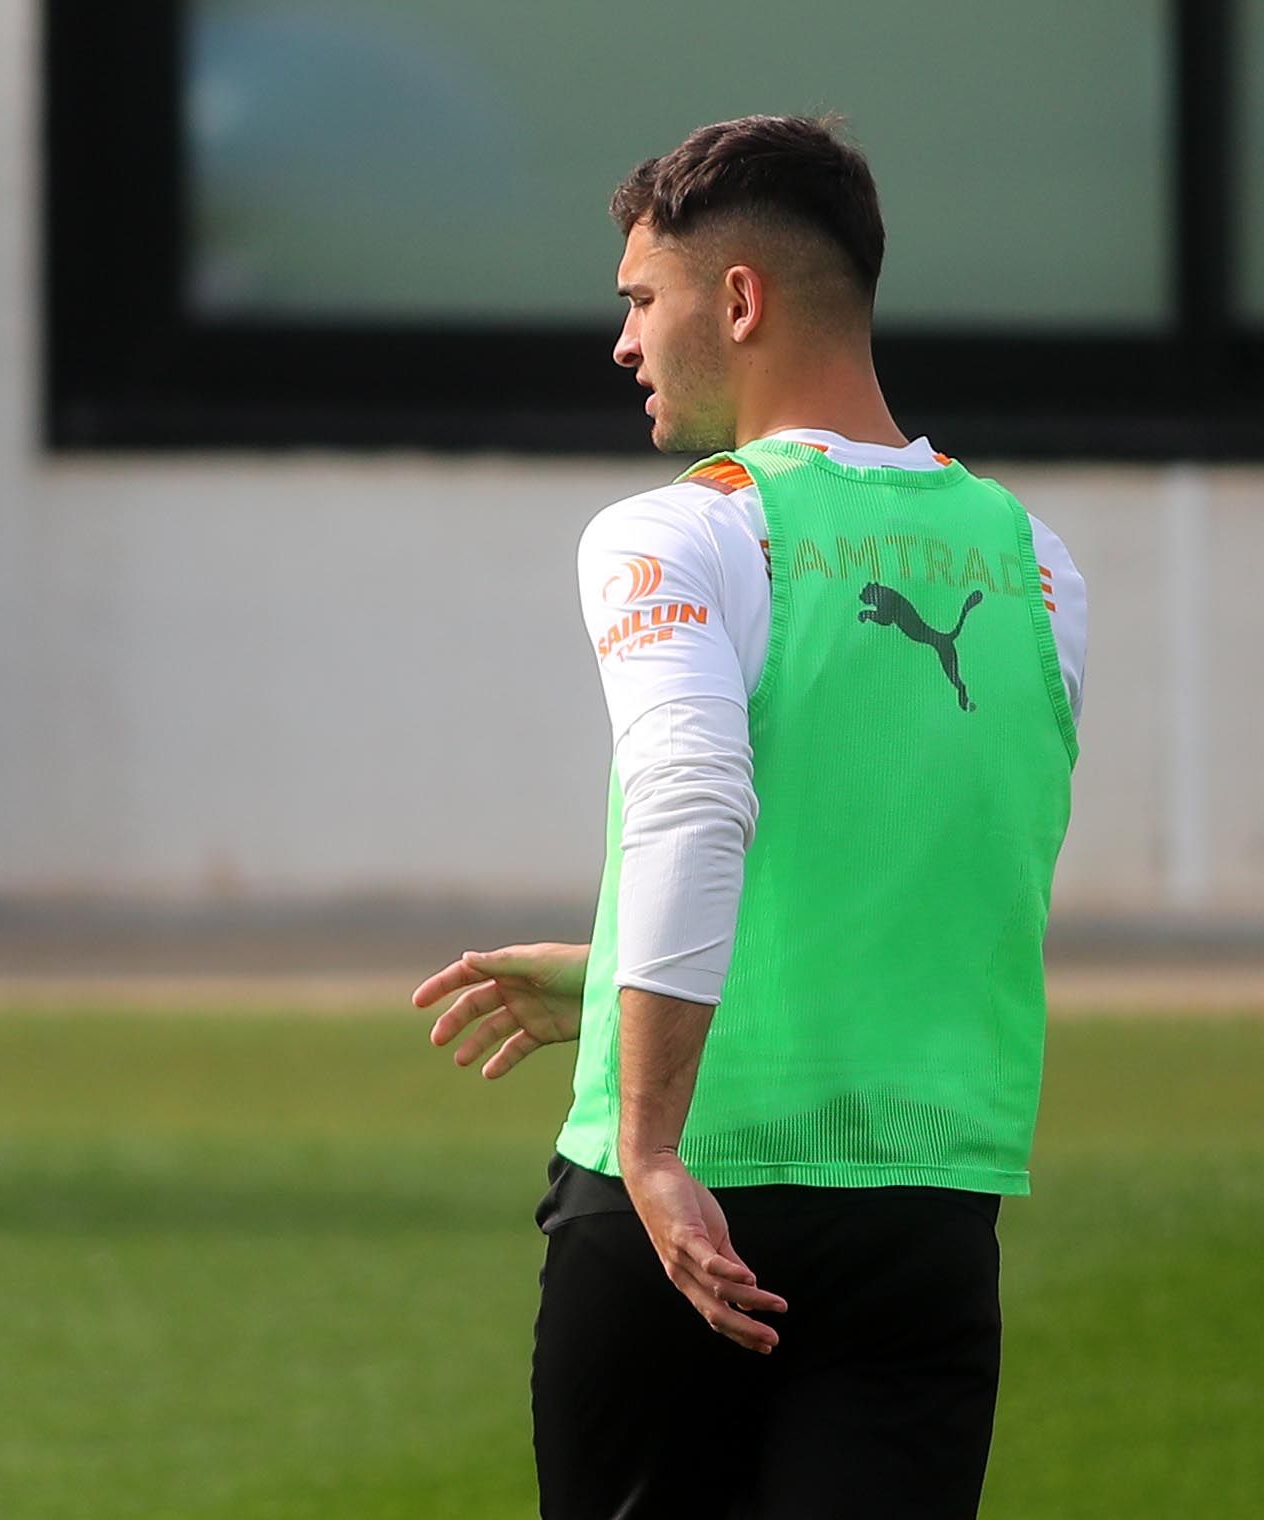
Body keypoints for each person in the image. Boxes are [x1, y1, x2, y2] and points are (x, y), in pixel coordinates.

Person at [412, 113, 1086, 1520]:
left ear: (737, 299)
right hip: (927, 1219)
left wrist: (651, 1140)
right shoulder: (1034, 565)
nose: (624, 344)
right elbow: (902, 867)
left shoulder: (679, 529)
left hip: (689, 1210)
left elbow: (693, 802)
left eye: (639, 302)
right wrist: (613, 982)